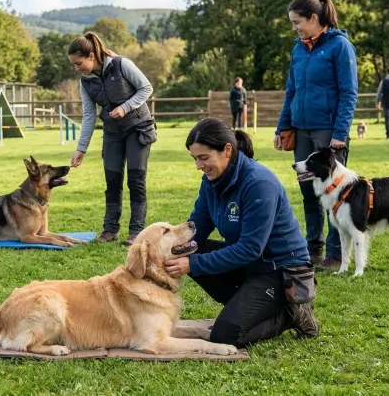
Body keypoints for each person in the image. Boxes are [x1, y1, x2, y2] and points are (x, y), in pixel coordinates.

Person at [164, 118, 319, 348]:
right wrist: (166, 251)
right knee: (190, 250)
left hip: (279, 271)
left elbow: (250, 248)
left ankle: (290, 313)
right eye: (195, 158)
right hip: (250, 265)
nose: (199, 165)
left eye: (204, 158)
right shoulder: (211, 181)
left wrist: (192, 265)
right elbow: (196, 229)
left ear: (227, 150)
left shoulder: (259, 184)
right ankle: (250, 305)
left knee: (225, 335)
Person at [274, 0, 358, 270]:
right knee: (308, 191)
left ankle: (335, 256)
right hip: (302, 128)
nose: (294, 28)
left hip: (329, 131)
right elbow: (291, 91)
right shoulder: (298, 49)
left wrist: (340, 133)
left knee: (336, 194)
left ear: (313, 19)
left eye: (297, 22)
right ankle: (313, 251)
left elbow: (348, 93)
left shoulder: (340, 46)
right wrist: (283, 126)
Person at [67, 32, 156, 246]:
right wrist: (81, 149)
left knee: (136, 180)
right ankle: (110, 230)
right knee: (112, 180)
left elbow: (147, 88)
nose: (77, 68)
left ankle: (136, 232)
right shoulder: (85, 82)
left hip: (138, 128)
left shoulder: (121, 64)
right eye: (74, 65)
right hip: (112, 134)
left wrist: (125, 108)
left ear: (91, 55)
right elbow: (89, 116)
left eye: (79, 63)